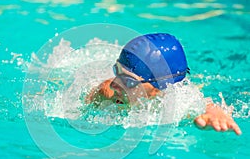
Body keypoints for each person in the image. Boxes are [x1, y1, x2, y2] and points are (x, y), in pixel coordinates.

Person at [85, 33, 242, 135]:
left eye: (128, 80)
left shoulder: (173, 102)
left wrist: (215, 113)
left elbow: (202, 105)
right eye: (117, 71)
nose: (114, 85)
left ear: (159, 88)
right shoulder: (107, 93)